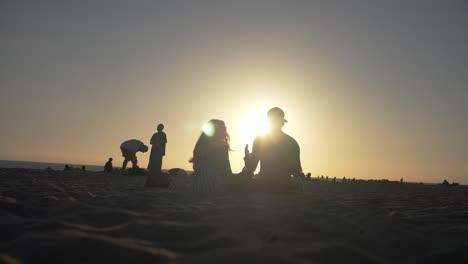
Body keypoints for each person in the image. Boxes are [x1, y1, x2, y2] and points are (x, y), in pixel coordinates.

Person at [245, 107, 302, 191]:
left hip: (264, 186)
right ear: (282, 123)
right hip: (286, 187)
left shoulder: (260, 139)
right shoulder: (292, 142)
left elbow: (251, 168)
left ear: (268, 122)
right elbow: (296, 171)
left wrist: (246, 157)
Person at [190, 119, 232, 192]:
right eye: (224, 129)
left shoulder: (200, 145)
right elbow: (225, 167)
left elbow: (195, 166)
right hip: (214, 183)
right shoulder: (221, 146)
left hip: (197, 183)